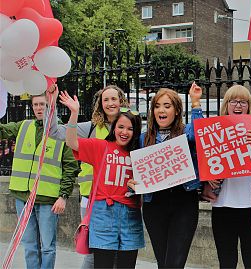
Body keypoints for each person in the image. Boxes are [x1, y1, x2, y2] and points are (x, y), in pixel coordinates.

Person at [60, 90, 144, 269]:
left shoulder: (140, 154)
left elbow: (150, 183)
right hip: (103, 215)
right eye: (120, 127)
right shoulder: (101, 146)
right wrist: (74, 113)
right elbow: (71, 142)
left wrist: (137, 186)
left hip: (130, 217)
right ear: (114, 128)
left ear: (136, 132)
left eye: (130, 128)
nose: (124, 132)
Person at [201, 85, 251, 269]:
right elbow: (204, 165)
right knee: (226, 261)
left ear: (249, 106)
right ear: (226, 105)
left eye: (243, 102)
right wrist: (208, 179)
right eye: (233, 101)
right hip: (222, 207)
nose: (238, 105)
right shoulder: (215, 130)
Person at [48, 85, 128, 269]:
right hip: (92, 200)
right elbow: (55, 132)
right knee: (94, 252)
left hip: (122, 199)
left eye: (113, 99)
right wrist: (53, 105)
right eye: (105, 100)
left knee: (119, 252)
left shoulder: (130, 127)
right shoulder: (91, 128)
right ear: (100, 105)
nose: (110, 103)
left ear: (121, 101)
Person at [128, 84, 203, 268]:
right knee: (163, 262)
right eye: (157, 106)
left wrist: (195, 103)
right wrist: (133, 182)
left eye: (167, 106)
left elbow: (200, 135)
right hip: (154, 205)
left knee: (174, 263)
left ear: (177, 111)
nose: (161, 110)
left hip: (184, 202)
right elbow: (136, 169)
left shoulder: (187, 133)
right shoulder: (143, 138)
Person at [0, 93, 79, 269]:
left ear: (50, 105)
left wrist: (63, 196)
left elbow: (70, 167)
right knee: (29, 245)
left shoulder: (62, 132)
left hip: (48, 200)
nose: (39, 108)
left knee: (48, 247)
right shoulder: (24, 126)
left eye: (43, 104)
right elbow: (2, 131)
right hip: (23, 197)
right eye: (35, 104)